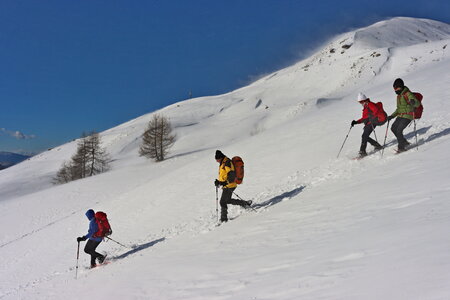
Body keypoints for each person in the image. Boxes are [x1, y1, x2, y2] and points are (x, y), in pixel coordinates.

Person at [214, 150, 251, 222]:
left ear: (220, 158)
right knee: (227, 200)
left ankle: (223, 219)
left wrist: (225, 182)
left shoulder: (227, 162)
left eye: (217, 159)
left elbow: (232, 175)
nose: (216, 161)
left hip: (230, 185)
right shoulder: (223, 162)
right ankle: (245, 204)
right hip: (228, 185)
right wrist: (219, 182)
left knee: (222, 202)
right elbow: (224, 175)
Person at [388, 78, 420, 152]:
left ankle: (401, 148)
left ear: (401, 86)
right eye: (394, 88)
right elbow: (398, 109)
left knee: (399, 130)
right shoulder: (398, 96)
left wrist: (413, 102)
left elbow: (417, 104)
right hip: (400, 115)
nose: (395, 90)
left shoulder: (408, 93)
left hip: (408, 115)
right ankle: (404, 142)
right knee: (393, 128)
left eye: (397, 88)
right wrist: (392, 116)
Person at [351, 92, 385, 157]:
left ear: (364, 100)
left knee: (364, 136)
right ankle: (377, 145)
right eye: (359, 102)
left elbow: (376, 110)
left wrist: (372, 116)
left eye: (361, 102)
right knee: (364, 136)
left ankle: (362, 152)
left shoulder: (370, 104)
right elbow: (364, 118)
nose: (360, 103)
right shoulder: (366, 107)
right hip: (369, 123)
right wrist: (356, 122)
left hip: (372, 123)